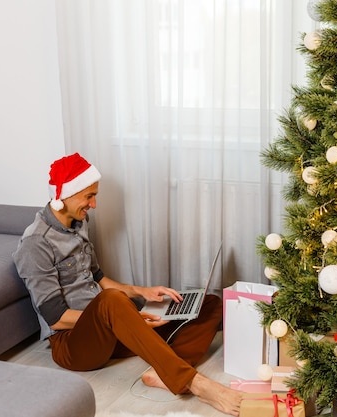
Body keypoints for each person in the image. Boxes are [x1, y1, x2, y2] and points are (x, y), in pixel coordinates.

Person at [13, 153, 242, 416]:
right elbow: (56, 319)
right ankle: (195, 383)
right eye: (89, 196)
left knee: (208, 303)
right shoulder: (35, 243)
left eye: (94, 195)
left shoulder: (79, 222)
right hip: (73, 344)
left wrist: (143, 292)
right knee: (112, 301)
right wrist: (123, 315)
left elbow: (99, 278)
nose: (94, 204)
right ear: (65, 194)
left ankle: (161, 372)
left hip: (112, 326)